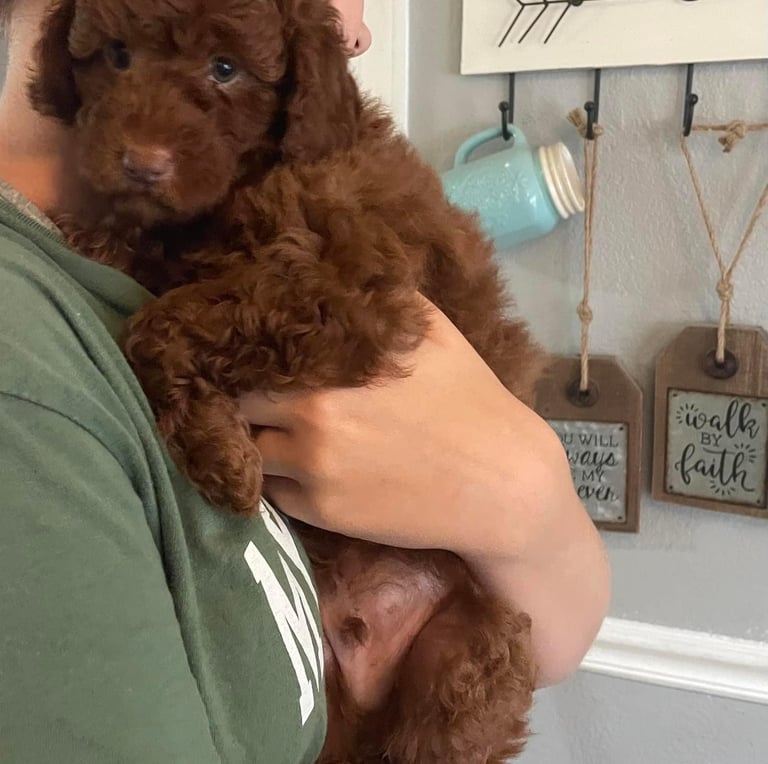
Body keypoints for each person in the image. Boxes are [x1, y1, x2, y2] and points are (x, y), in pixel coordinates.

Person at [0, 0, 610, 761]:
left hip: (421, 616)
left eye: (222, 70)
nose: (359, 28)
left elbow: (554, 636)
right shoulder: (29, 374)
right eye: (119, 57)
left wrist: (528, 491)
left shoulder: (271, 193)